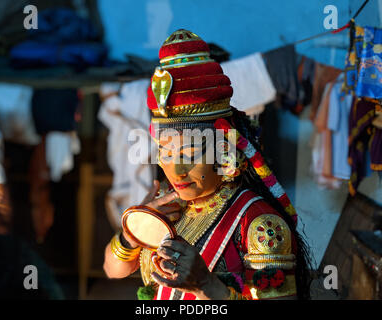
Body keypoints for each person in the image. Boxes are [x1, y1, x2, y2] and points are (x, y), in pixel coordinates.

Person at [103, 29, 312, 300]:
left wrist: (205, 284)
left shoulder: (259, 225)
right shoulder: (170, 205)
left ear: (224, 151)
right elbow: (112, 270)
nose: (176, 171)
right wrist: (132, 233)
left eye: (190, 154)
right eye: (165, 153)